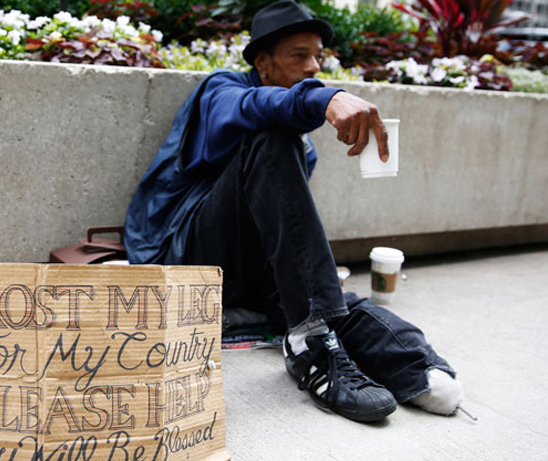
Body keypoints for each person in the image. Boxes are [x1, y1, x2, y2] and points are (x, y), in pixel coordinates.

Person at [123, 0, 466, 423]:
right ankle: (310, 346)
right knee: (270, 134)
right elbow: (257, 108)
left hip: (248, 275)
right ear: (263, 65)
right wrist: (326, 98)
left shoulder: (298, 143)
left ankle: (418, 369)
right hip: (182, 256)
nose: (312, 67)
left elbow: (282, 227)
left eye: (317, 56)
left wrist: (308, 273)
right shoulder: (222, 92)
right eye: (298, 56)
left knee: (330, 299)